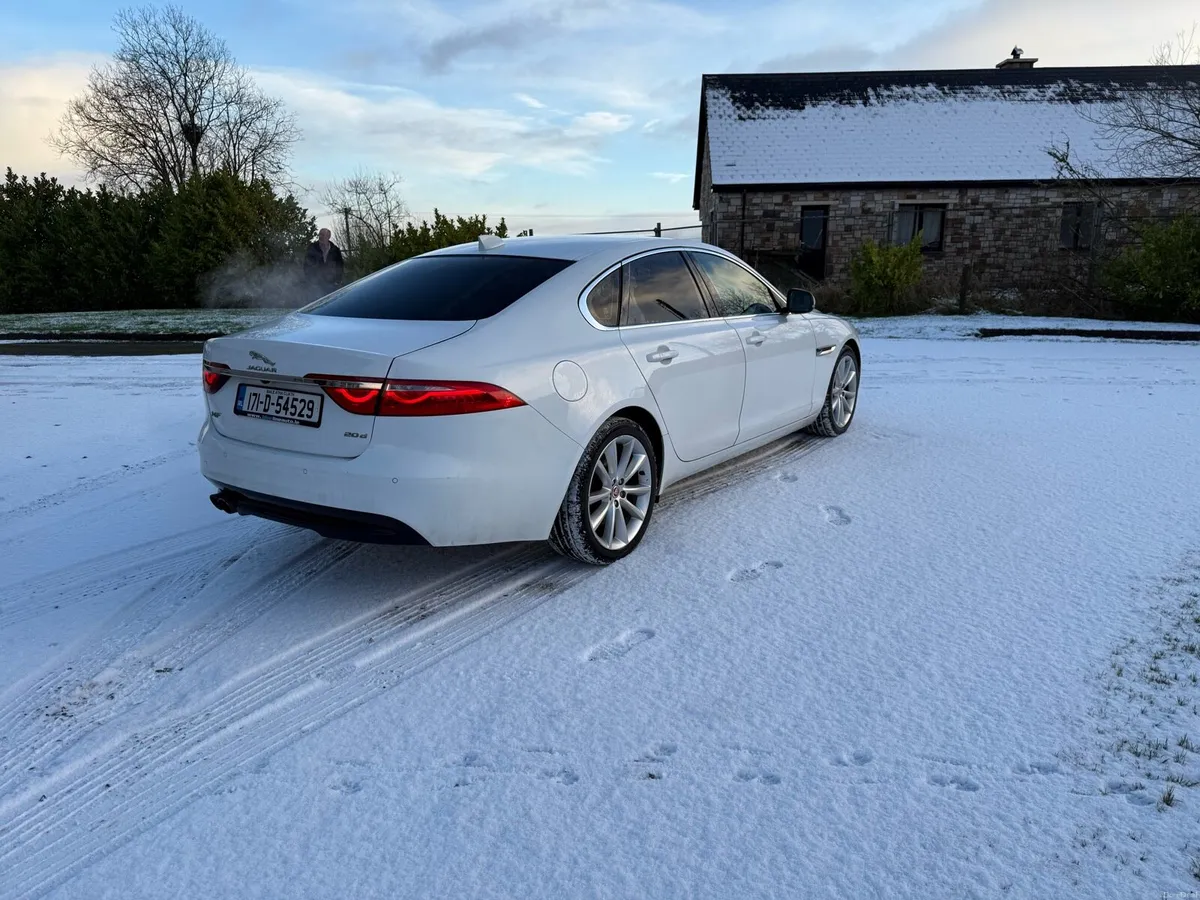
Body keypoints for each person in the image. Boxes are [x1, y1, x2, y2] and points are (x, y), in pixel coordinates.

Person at [304, 228, 345, 297]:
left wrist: (338, 281)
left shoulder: (335, 250)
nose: (320, 236)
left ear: (328, 237)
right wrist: (311, 281)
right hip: (316, 285)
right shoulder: (312, 248)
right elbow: (306, 265)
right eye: (319, 234)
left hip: (332, 284)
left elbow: (340, 266)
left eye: (323, 235)